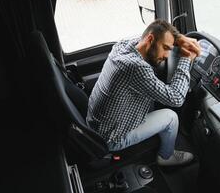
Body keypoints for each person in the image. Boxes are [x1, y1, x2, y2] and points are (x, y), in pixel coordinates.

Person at [86, 19, 201, 166]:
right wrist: (186, 59)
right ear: (150, 39)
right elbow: (177, 98)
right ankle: (166, 157)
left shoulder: (122, 46)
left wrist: (179, 38)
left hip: (95, 125)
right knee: (171, 117)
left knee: (154, 98)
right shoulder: (136, 68)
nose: (167, 55)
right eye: (165, 47)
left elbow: (146, 35)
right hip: (111, 138)